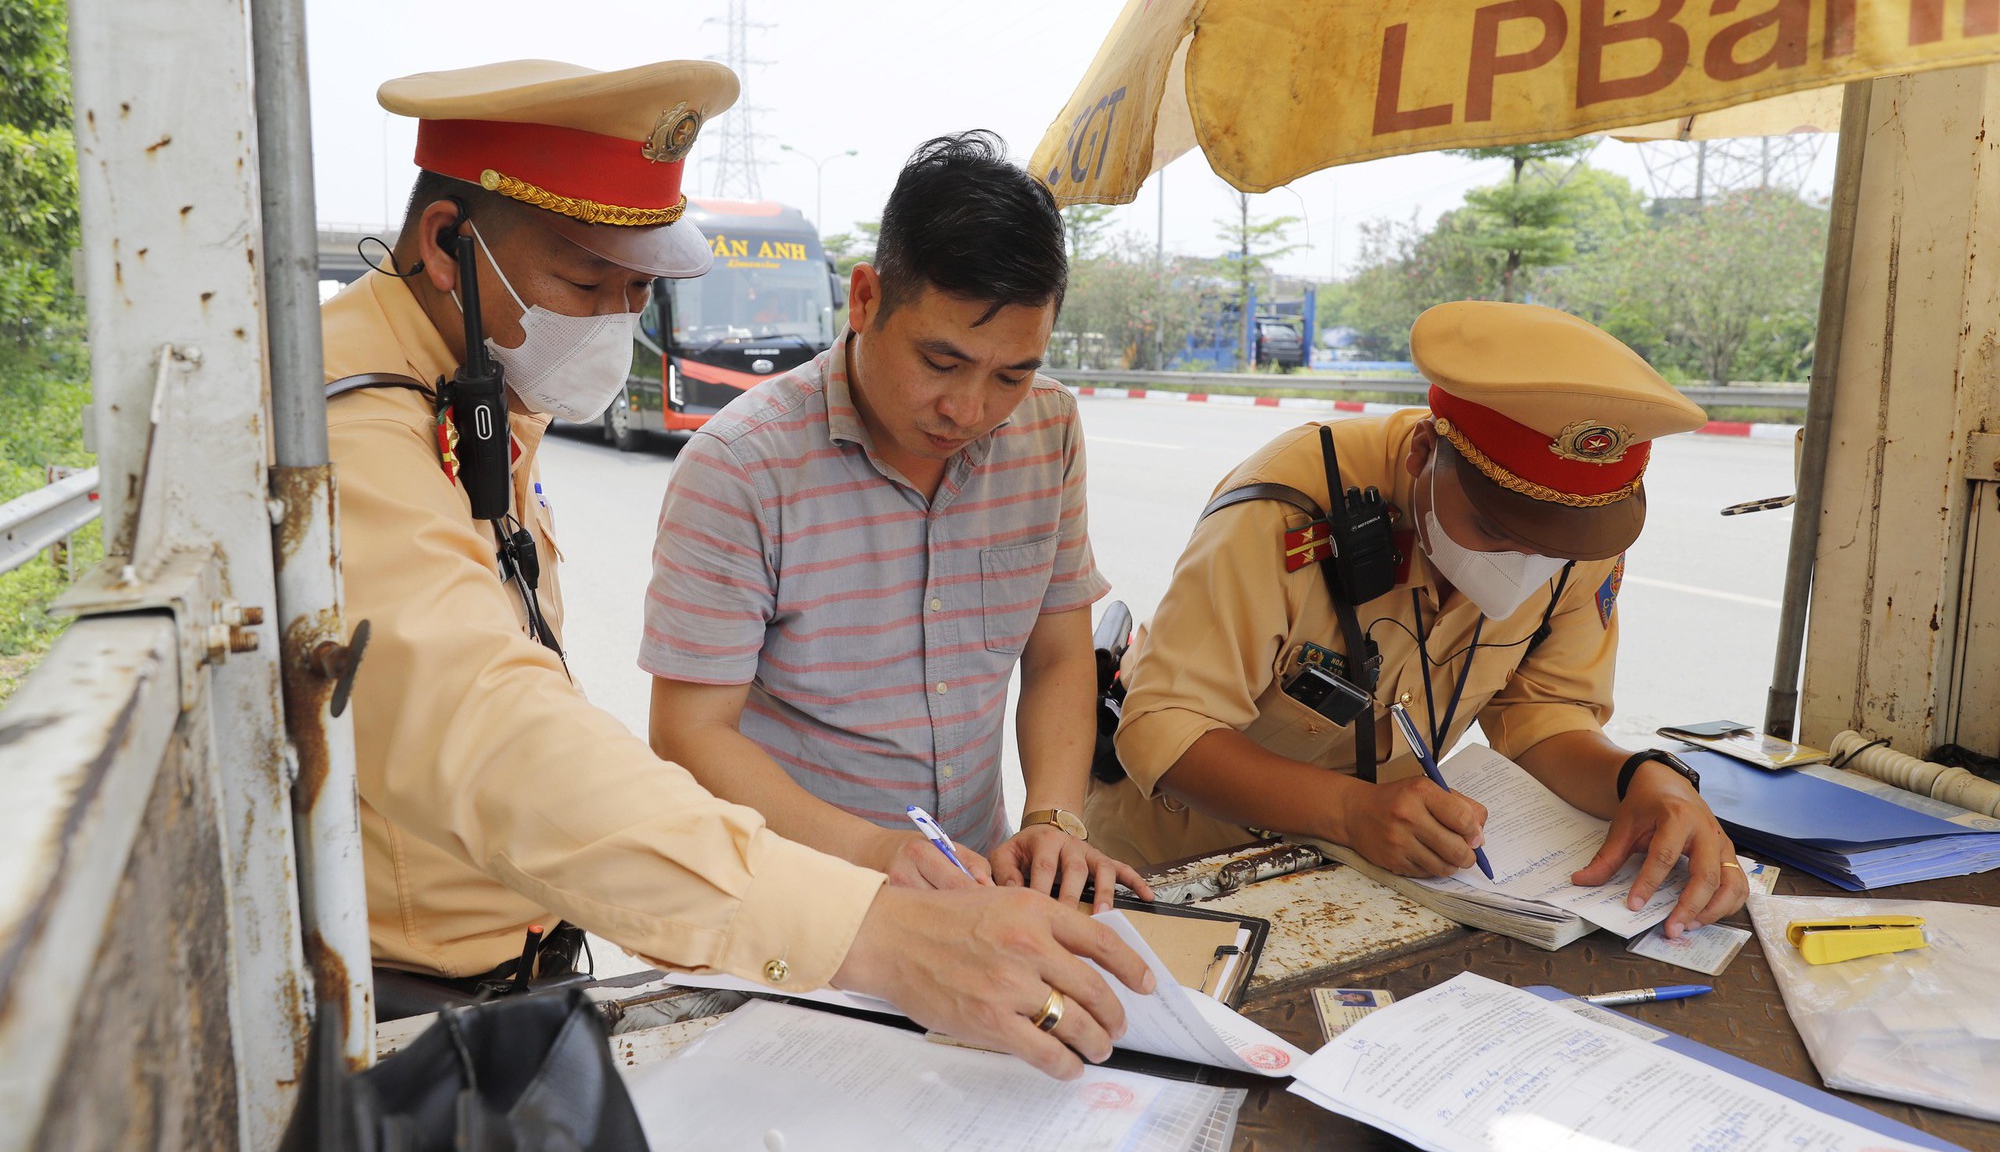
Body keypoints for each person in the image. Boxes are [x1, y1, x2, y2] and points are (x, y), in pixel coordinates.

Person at [327, 59, 1150, 1077]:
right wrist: (872, 919)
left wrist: (1048, 817)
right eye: (588, 283)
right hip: (395, 995)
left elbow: (1060, 645)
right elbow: (492, 727)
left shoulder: (473, 388)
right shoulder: (354, 425)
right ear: (449, 245)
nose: (612, 325)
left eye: (635, 290)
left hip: (525, 955)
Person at [1086, 301, 1748, 938]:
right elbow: (1163, 726)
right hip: (1176, 865)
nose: (1527, 563)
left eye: (1555, 548)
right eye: (1494, 528)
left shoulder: (1581, 539)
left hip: (1375, 872)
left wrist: (1644, 780)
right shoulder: (1286, 507)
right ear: (1423, 452)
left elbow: (1543, 714)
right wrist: (1348, 811)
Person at [642, 132, 1150, 910]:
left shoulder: (1046, 430)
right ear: (866, 299)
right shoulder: (741, 467)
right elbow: (691, 731)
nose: (969, 410)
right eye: (941, 363)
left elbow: (1057, 655)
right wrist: (875, 852)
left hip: (979, 884)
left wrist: (1053, 818)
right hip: (796, 896)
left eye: (1011, 373)